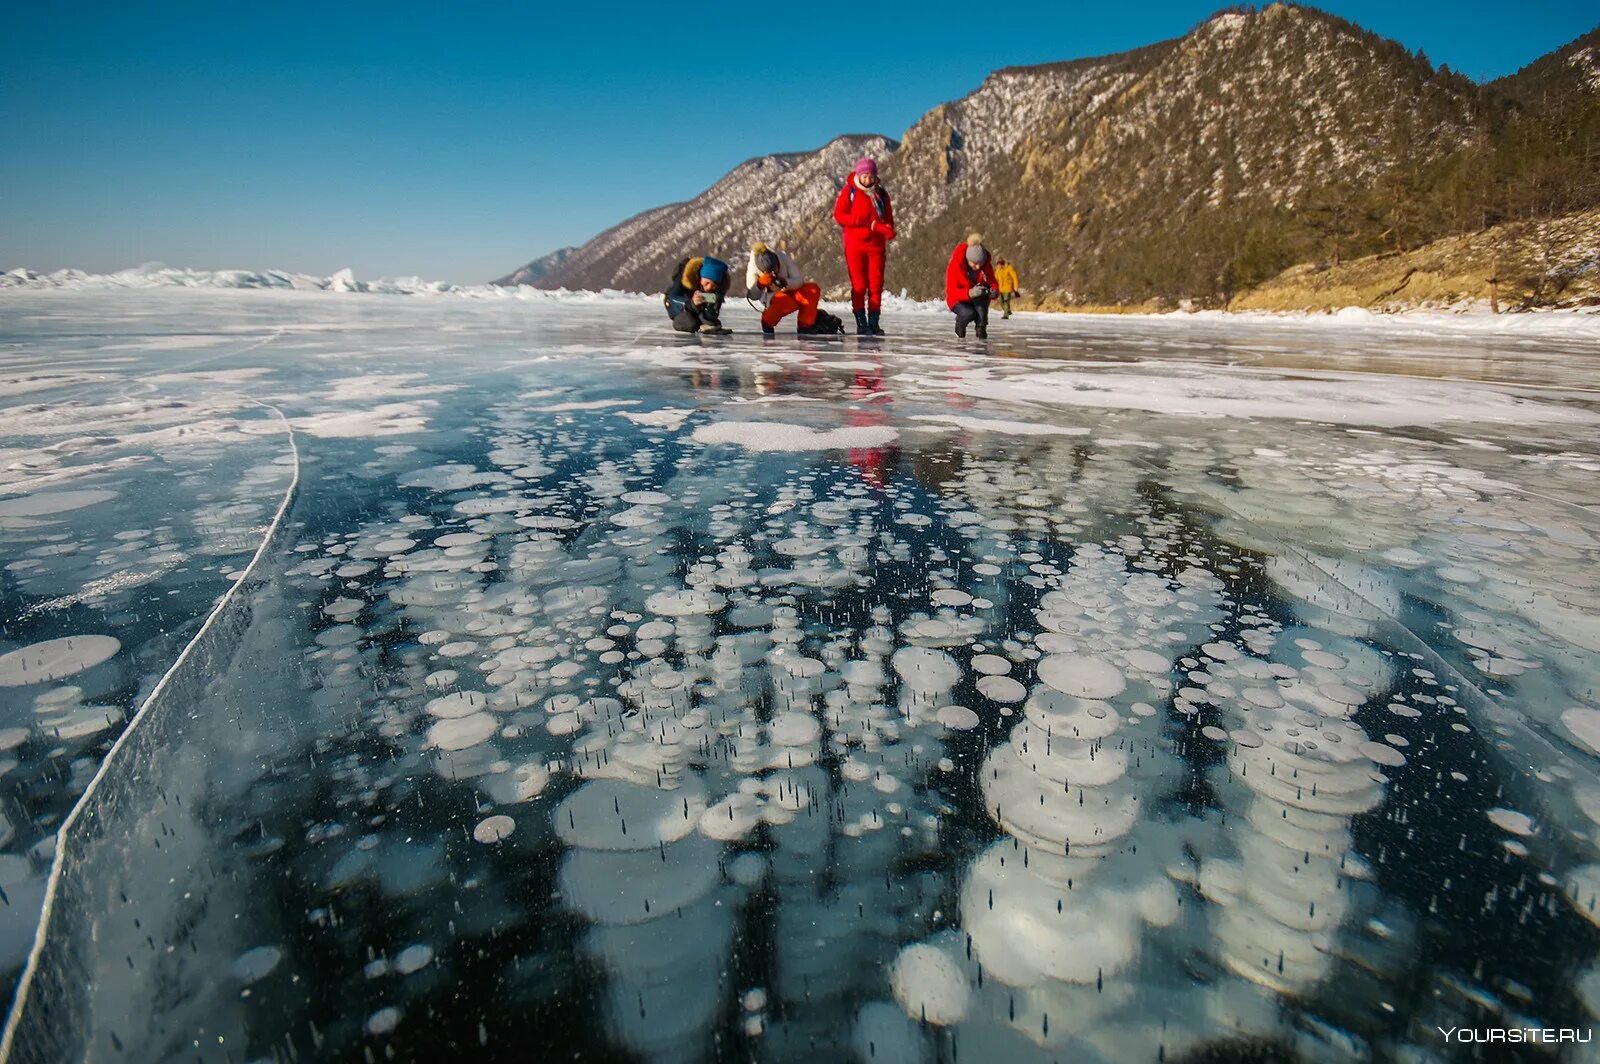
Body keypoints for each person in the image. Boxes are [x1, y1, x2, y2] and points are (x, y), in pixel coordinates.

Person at [832, 157, 895, 336]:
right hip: (855, 246)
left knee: (876, 286)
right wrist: (861, 221)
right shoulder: (850, 191)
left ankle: (874, 322)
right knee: (859, 286)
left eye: (871, 176)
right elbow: (839, 215)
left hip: (876, 247)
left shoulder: (881, 195)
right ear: (859, 176)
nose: (868, 180)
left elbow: (889, 220)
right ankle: (861, 323)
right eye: (865, 176)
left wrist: (886, 229)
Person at [746, 242, 825, 336]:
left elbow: (799, 279)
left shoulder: (783, 257)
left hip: (789, 289)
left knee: (812, 290)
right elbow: (752, 296)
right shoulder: (753, 268)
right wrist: (759, 285)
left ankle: (805, 325)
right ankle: (767, 321)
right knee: (785, 302)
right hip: (772, 298)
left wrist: (785, 282)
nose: (773, 274)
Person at [946, 233, 998, 339]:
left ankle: (981, 332)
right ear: (968, 259)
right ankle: (959, 327)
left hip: (977, 298)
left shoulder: (985, 265)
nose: (978, 266)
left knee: (981, 314)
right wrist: (969, 293)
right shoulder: (955, 265)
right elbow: (951, 291)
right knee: (969, 313)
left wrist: (994, 290)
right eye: (975, 263)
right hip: (957, 299)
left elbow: (992, 281)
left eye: (980, 263)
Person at [664, 256, 732, 334]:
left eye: (713, 285)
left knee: (710, 321)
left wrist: (714, 303)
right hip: (681, 309)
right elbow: (671, 299)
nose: (709, 287)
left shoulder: (720, 287)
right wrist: (691, 303)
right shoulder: (684, 279)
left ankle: (705, 323)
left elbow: (714, 309)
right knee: (691, 324)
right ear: (701, 277)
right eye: (707, 283)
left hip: (700, 312)